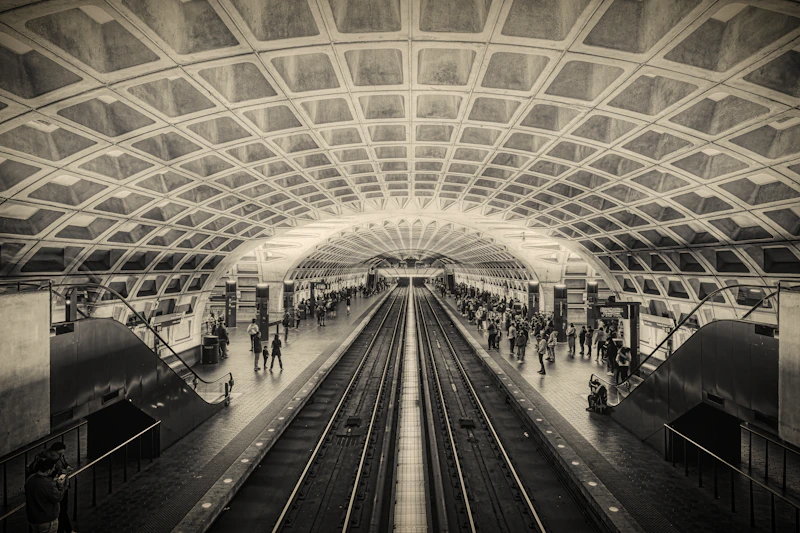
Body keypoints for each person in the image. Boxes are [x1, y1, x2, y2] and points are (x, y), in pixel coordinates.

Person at [25, 457, 66, 533]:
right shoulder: (47, 484)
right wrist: (61, 486)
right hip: (47, 519)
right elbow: (58, 497)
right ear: (48, 470)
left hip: (33, 518)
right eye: (53, 469)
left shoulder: (30, 479)